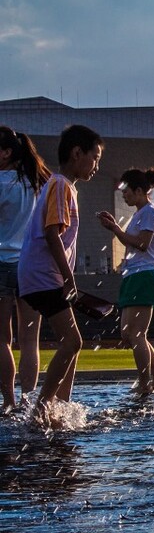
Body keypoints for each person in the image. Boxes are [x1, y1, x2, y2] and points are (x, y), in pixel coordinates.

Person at [18, 124, 104, 425]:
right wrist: (69, 278)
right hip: (44, 276)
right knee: (73, 341)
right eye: (95, 157)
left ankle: (60, 408)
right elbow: (52, 234)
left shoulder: (61, 186)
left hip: (40, 276)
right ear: (76, 153)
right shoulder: (60, 186)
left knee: (73, 344)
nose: (96, 165)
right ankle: (42, 410)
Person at [97, 167, 154, 397]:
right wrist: (115, 228)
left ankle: (145, 382)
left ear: (139, 190)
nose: (123, 194)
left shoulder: (149, 211)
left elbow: (142, 244)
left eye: (126, 190)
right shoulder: (139, 213)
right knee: (128, 334)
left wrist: (115, 229)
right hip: (134, 275)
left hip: (144, 274)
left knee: (136, 333)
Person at [0, 127, 51, 411]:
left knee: (2, 339)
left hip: (1, 262)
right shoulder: (36, 183)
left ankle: (7, 402)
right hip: (31, 265)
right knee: (30, 339)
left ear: (6, 152)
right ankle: (28, 400)